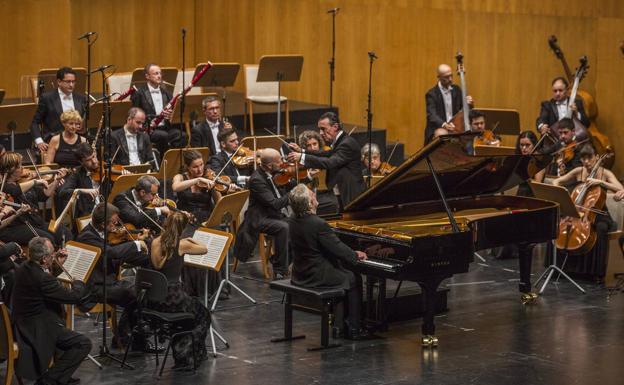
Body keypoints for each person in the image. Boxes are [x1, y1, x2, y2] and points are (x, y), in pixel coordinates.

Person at [287, 184, 369, 339]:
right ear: (310, 203)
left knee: (342, 273)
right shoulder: (318, 223)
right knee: (353, 278)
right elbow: (337, 248)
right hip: (315, 275)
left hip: (300, 272)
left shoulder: (292, 219)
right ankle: (354, 329)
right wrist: (355, 254)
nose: (315, 195)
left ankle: (339, 326)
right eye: (312, 194)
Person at [12, 237, 91, 385]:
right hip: (37, 328)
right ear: (43, 259)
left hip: (22, 322)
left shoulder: (24, 267)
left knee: (59, 320)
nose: (54, 256)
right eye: (52, 255)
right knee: (83, 343)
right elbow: (73, 297)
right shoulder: (42, 278)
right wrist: (79, 283)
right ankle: (48, 381)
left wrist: (55, 265)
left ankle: (61, 376)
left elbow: (40, 286)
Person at [76, 203, 152, 350]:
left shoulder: (101, 232)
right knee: (135, 293)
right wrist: (136, 244)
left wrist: (151, 255)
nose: (117, 225)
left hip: (107, 281)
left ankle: (127, 338)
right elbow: (112, 253)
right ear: (103, 223)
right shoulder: (86, 236)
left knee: (139, 290)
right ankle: (130, 339)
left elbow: (117, 253)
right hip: (95, 287)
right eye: (114, 222)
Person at [149, 212, 210, 370]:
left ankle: (184, 354)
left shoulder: (155, 242)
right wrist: (189, 238)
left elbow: (156, 266)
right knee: (203, 315)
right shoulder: (182, 244)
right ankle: (187, 355)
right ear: (183, 227)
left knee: (188, 315)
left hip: (155, 297)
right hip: (174, 299)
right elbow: (204, 249)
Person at [552, 144, 622, 279]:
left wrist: (601, 183)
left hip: (599, 212)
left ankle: (596, 273)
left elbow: (620, 188)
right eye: (583, 158)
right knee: (557, 226)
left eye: (589, 158)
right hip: (579, 211)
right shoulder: (579, 171)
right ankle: (562, 268)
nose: (586, 162)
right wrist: (562, 191)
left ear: (596, 157)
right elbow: (557, 181)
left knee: (600, 228)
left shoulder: (605, 173)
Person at [233, 148, 293, 278]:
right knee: (284, 227)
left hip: (271, 215)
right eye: (279, 161)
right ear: (270, 165)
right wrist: (292, 194)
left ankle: (278, 261)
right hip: (259, 218)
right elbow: (274, 203)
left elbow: (283, 188)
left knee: (299, 223)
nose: (282, 163)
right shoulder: (257, 180)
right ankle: (280, 268)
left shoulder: (271, 174)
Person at [287, 112, 365, 210]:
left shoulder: (346, 143)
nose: (320, 133)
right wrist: (302, 151)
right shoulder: (340, 141)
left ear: (335, 127)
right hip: (341, 191)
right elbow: (326, 154)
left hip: (351, 193)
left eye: (323, 129)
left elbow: (330, 162)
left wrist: (302, 157)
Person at [0, 152, 71, 246]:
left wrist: (56, 181)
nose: (22, 168)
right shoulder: (3, 187)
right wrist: (35, 181)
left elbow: (44, 195)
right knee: (47, 240)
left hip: (36, 222)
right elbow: (14, 191)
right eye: (19, 166)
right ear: (10, 169)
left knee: (64, 232)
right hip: (16, 227)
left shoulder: (23, 182)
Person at [131, 63, 185, 156]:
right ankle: (163, 162)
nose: (159, 76)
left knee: (182, 135)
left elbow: (174, 112)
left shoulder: (167, 93)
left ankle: (175, 160)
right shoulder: (139, 93)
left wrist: (170, 115)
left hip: (166, 127)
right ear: (147, 76)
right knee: (163, 136)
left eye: (160, 73)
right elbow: (134, 114)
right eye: (156, 73)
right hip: (148, 129)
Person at [30, 67, 87, 153]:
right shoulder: (47, 98)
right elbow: (35, 122)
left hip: (77, 142)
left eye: (73, 81)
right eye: (68, 81)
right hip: (54, 142)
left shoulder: (81, 98)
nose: (71, 85)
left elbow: (83, 121)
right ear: (59, 82)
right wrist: (39, 141)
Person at [424, 63, 473, 143]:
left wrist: (470, 104)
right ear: (439, 78)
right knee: (442, 134)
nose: (450, 79)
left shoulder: (456, 90)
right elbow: (432, 115)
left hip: (455, 127)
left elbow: (464, 110)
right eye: (446, 77)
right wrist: (444, 125)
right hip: (439, 127)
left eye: (451, 76)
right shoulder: (431, 94)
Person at [57, 142, 104, 219]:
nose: (94, 161)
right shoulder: (77, 173)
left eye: (94, 156)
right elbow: (63, 193)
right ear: (81, 162)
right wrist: (82, 190)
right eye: (88, 160)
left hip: (106, 212)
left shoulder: (105, 167)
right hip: (88, 215)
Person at [298, 130, 338, 215]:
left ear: (319, 143)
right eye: (309, 145)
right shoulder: (301, 158)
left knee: (333, 204)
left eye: (314, 144)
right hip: (307, 195)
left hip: (326, 193)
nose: (313, 148)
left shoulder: (327, 153)